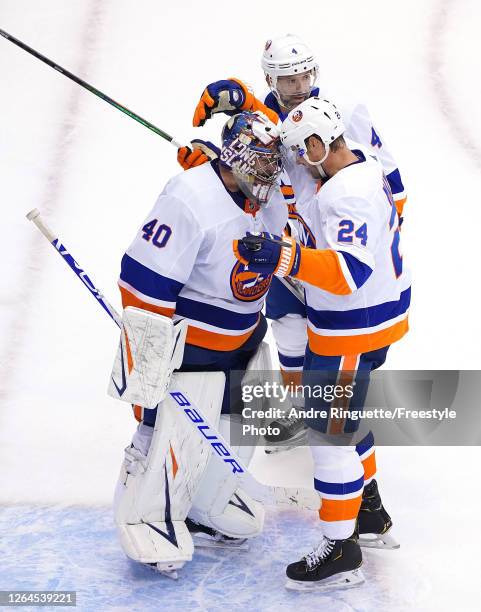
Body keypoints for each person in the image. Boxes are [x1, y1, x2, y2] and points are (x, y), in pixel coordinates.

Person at [179, 34, 406, 459]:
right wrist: (212, 168)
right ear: (271, 79)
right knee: (288, 331)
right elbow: (247, 174)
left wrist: (383, 231)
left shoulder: (338, 115)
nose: (299, 86)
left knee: (336, 373)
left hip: (330, 253)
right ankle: (302, 415)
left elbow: (390, 180)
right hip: (284, 245)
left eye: (305, 76)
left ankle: (334, 440)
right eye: (289, 80)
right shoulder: (259, 122)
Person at [233, 97, 410, 590]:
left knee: (329, 435)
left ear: (318, 144)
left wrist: (283, 257)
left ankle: (341, 551)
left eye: (297, 152)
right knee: (343, 423)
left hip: (351, 325)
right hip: (365, 320)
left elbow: (349, 273)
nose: (291, 164)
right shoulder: (351, 161)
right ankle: (368, 516)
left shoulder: (346, 195)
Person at [112, 110, 287, 576]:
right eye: (264, 163)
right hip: (192, 350)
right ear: (235, 157)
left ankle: (208, 500)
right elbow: (142, 283)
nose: (273, 174)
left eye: (276, 163)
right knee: (169, 431)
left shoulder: (266, 198)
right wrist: (148, 370)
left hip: (246, 339)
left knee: (242, 422)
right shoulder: (190, 197)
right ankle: (147, 515)